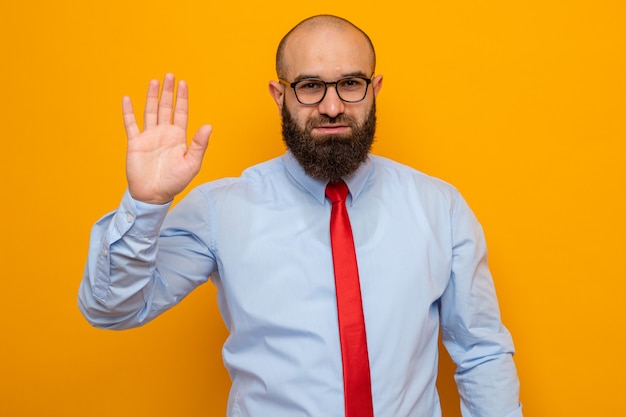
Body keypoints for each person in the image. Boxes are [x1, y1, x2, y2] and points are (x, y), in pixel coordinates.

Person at [79, 14, 522, 417]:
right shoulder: (221, 210)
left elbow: (481, 352)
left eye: (350, 83)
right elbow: (111, 308)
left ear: (375, 88)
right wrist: (146, 203)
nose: (332, 107)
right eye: (310, 86)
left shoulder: (438, 207)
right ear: (280, 95)